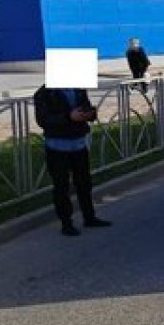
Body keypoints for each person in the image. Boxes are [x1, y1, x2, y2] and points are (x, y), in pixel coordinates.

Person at [33, 85, 111, 236]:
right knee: (61, 186)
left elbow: (86, 106)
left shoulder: (78, 88)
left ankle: (89, 217)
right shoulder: (45, 93)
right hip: (57, 146)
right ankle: (66, 223)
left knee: (84, 182)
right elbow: (43, 120)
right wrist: (69, 117)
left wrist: (90, 114)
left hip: (79, 143)